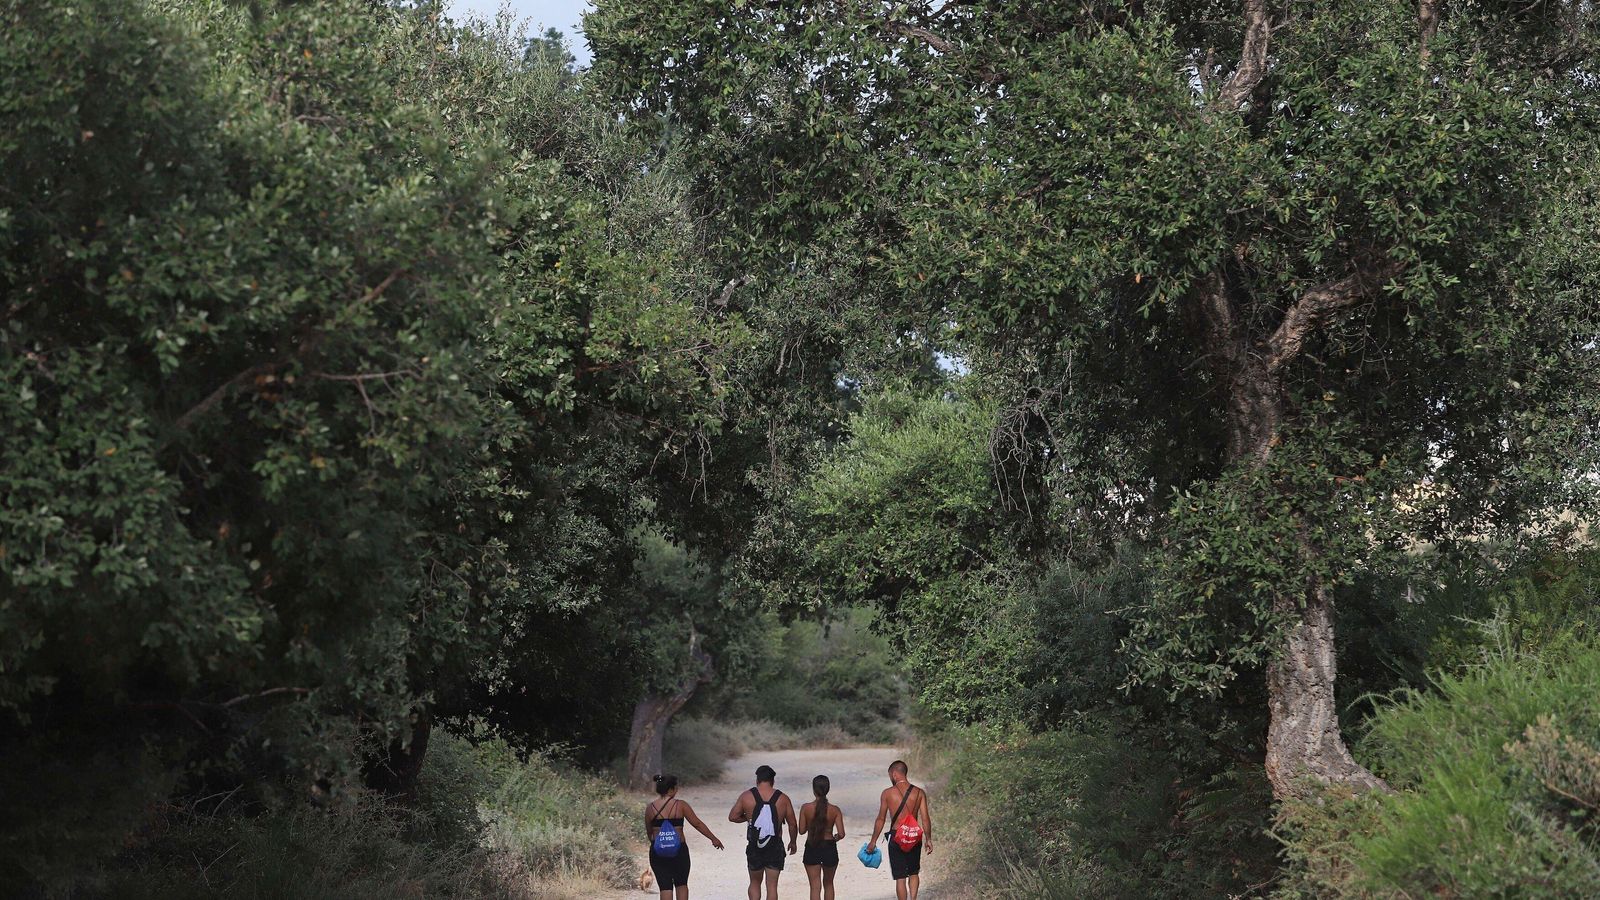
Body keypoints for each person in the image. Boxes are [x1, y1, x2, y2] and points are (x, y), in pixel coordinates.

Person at [645, 774, 725, 900]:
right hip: (679, 851)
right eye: (676, 788)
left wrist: (660, 845)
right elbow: (697, 824)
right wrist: (713, 838)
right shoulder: (681, 805)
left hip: (658, 852)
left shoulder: (650, 808)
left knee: (665, 887)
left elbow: (649, 832)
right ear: (671, 789)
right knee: (681, 883)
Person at [728, 764, 799, 900]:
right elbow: (792, 824)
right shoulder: (783, 798)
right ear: (773, 781)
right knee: (772, 886)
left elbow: (732, 817)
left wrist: (749, 818)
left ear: (757, 780)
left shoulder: (746, 796)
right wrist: (793, 842)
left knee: (755, 883)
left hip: (755, 846)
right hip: (775, 846)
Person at [867, 759, 933, 900]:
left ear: (895, 774)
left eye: (890, 775)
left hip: (897, 836)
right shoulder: (919, 793)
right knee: (914, 872)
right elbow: (925, 818)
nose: (891, 778)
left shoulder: (887, 793)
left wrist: (873, 841)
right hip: (914, 836)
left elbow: (881, 819)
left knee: (900, 877)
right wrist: (928, 839)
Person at [798, 774, 845, 900]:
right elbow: (841, 834)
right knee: (829, 884)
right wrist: (835, 838)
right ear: (828, 789)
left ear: (813, 790)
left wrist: (813, 826)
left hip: (812, 846)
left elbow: (801, 830)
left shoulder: (806, 808)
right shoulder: (835, 810)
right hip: (829, 847)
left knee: (815, 886)